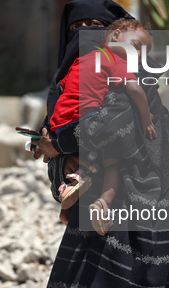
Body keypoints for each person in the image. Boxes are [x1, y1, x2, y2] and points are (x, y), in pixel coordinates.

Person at [32, 0, 169, 288]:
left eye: (95, 27)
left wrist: (55, 144)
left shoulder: (130, 78)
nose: (84, 33)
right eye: (77, 27)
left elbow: (107, 128)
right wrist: (61, 156)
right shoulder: (75, 83)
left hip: (140, 221)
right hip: (99, 218)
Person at [51, 18, 157, 235]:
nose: (138, 57)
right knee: (113, 161)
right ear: (116, 35)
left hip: (59, 126)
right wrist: (146, 118)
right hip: (88, 120)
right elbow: (135, 90)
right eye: (136, 47)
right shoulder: (113, 60)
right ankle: (103, 204)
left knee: (85, 154)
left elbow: (62, 88)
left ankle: (70, 194)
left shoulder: (81, 59)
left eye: (143, 54)